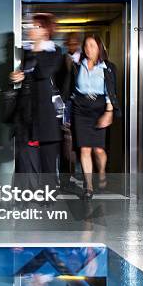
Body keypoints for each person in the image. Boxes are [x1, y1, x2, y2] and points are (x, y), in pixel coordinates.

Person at [9, 13, 63, 192]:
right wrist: (18, 77)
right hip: (27, 112)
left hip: (46, 112)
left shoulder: (53, 51)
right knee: (25, 156)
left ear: (46, 30)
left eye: (36, 26)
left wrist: (36, 51)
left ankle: (48, 194)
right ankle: (25, 193)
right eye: (31, 26)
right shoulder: (28, 51)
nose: (31, 29)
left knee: (48, 158)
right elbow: (27, 77)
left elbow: (43, 72)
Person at [64, 34, 120, 200]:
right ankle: (88, 186)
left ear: (99, 48)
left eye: (92, 46)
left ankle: (101, 171)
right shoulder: (76, 65)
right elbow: (70, 89)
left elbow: (111, 92)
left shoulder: (108, 67)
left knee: (99, 150)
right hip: (80, 110)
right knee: (85, 148)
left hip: (99, 108)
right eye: (86, 45)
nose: (89, 49)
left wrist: (109, 112)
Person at [57, 32, 82, 191]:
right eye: (69, 42)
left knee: (78, 142)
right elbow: (59, 82)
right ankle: (66, 178)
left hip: (80, 105)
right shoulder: (61, 60)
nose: (71, 45)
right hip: (66, 104)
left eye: (74, 42)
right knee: (66, 141)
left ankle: (79, 174)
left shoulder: (85, 60)